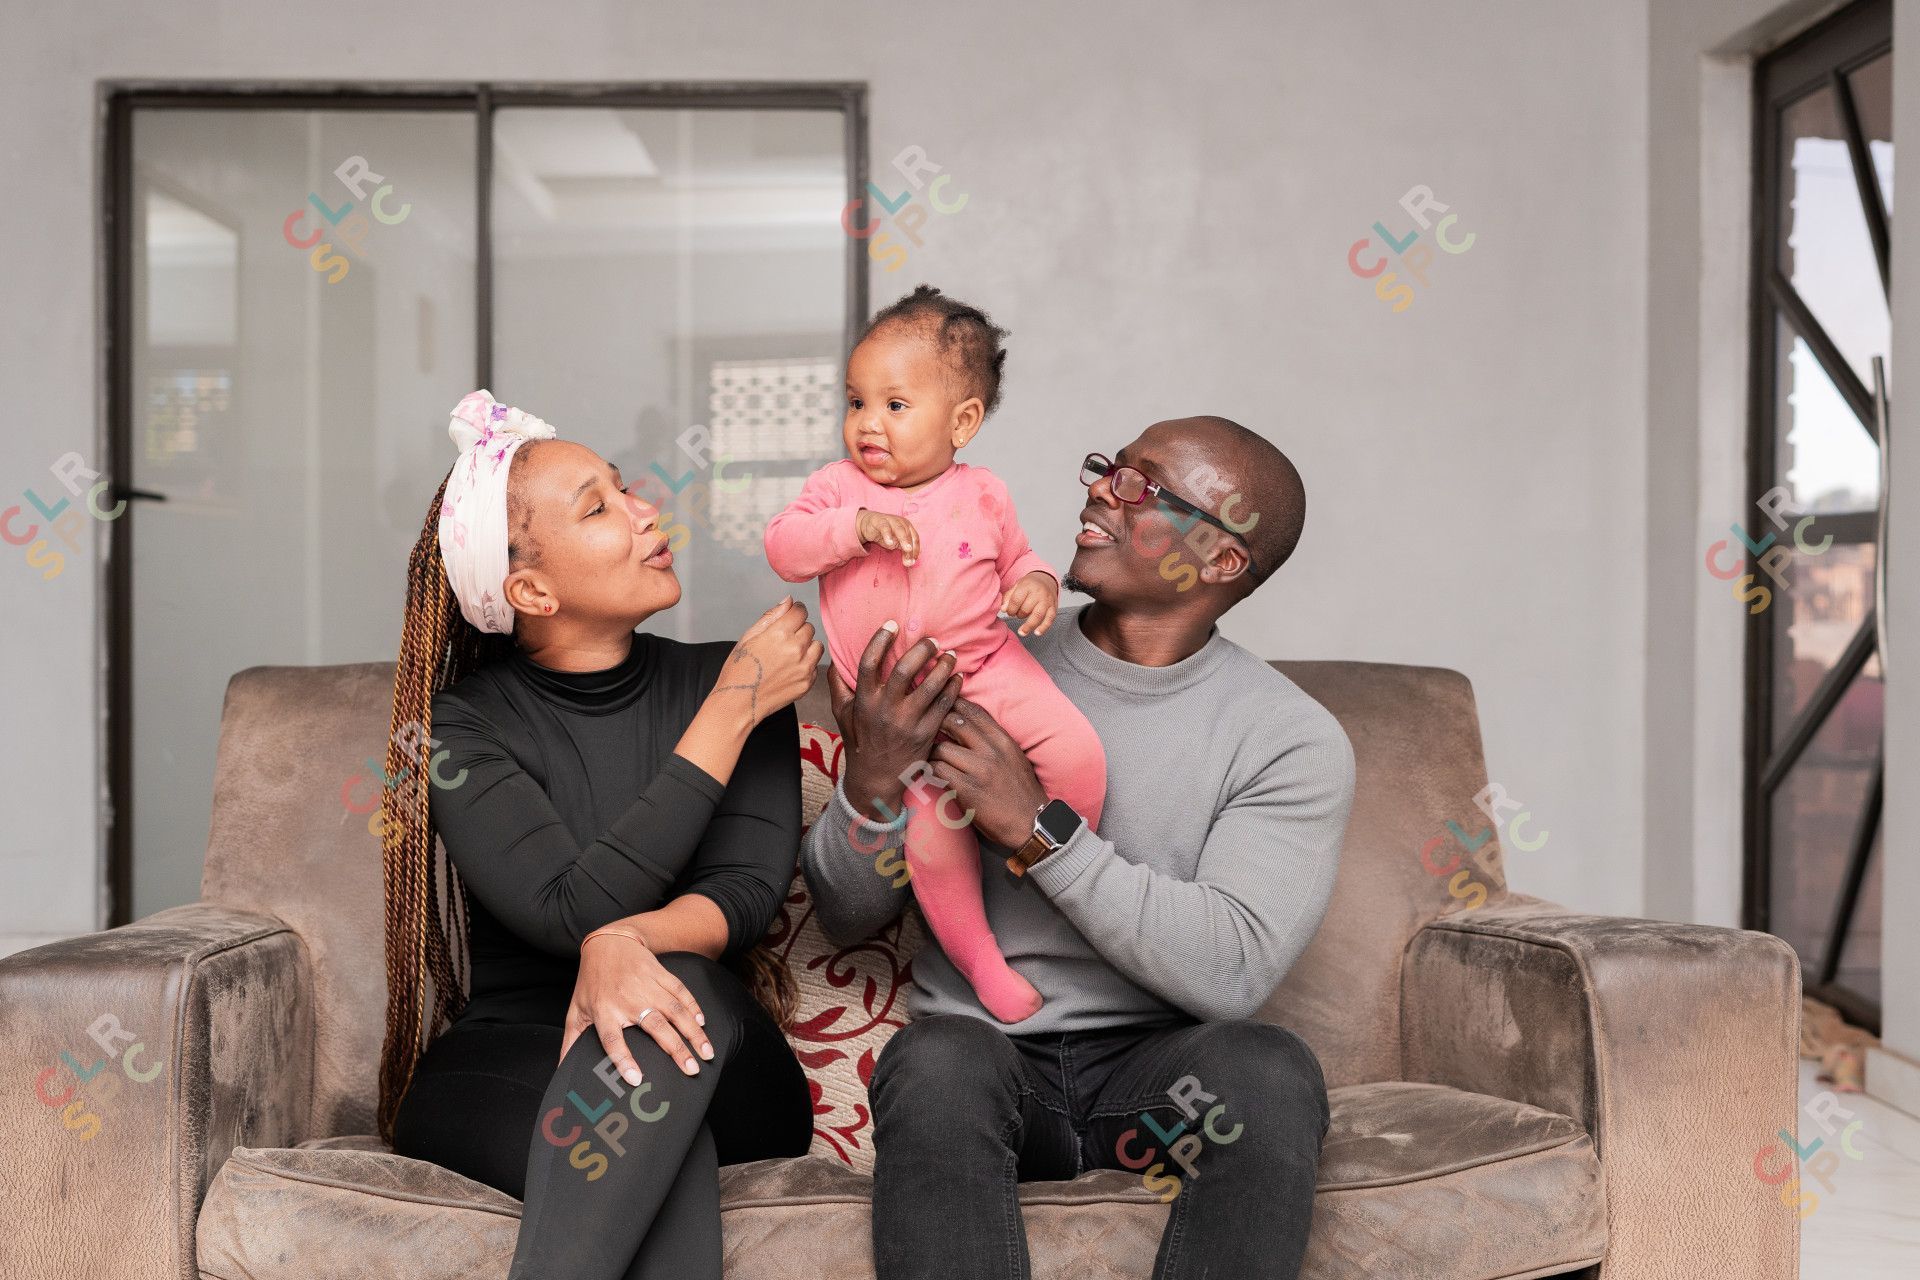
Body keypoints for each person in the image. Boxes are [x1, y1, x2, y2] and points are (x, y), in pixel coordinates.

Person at [802, 416, 1355, 1279]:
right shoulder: (980, 654)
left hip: (1155, 1079)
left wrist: (1036, 830)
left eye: (1142, 485)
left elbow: (1231, 971)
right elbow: (845, 917)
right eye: (1108, 468)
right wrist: (871, 785)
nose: (1100, 489)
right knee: (937, 1059)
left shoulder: (1286, 738)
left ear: (1221, 560)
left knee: (1269, 1070)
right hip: (985, 1069)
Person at [377, 390, 824, 1280]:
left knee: (669, 996)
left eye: (626, 490)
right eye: (599, 506)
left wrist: (627, 944)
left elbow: (740, 894)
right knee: (646, 1150)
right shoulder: (458, 728)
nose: (644, 511)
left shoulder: (739, 678)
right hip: (512, 1057)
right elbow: (563, 911)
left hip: (712, 1047)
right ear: (531, 589)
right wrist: (730, 709)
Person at [765, 285, 1105, 1024]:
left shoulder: (984, 493)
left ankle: (1036, 867)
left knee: (1079, 755)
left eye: (894, 405)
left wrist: (1040, 584)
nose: (866, 424)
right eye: (856, 402)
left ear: (963, 422)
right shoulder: (837, 489)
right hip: (893, 710)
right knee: (930, 838)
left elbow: (1020, 560)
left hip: (987, 668)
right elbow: (784, 547)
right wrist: (854, 525)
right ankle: (981, 963)